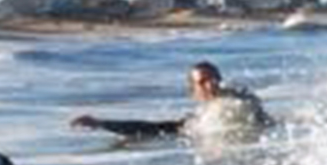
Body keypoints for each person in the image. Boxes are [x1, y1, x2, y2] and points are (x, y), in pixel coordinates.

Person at [71, 60, 274, 139]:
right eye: (203, 82)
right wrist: (103, 123)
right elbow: (153, 128)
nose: (211, 85)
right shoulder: (200, 118)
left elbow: (264, 123)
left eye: (214, 79)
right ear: (193, 90)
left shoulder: (239, 102)